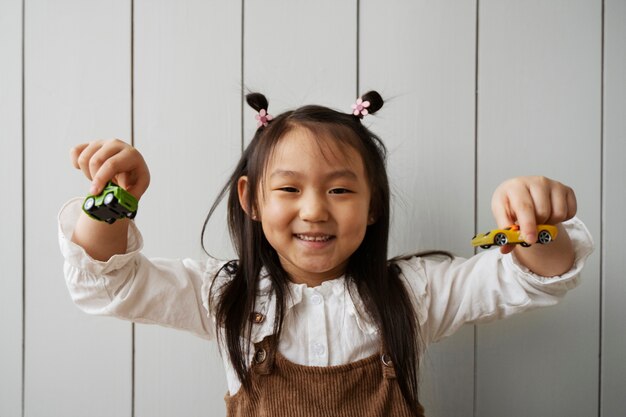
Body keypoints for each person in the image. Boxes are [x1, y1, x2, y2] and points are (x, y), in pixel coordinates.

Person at [59, 91, 593, 417]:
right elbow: (112, 285)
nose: (314, 211)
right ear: (251, 200)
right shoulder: (224, 295)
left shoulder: (414, 292)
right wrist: (115, 200)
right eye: (289, 190)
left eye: (340, 190)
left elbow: (531, 276)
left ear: (374, 205)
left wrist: (537, 227)